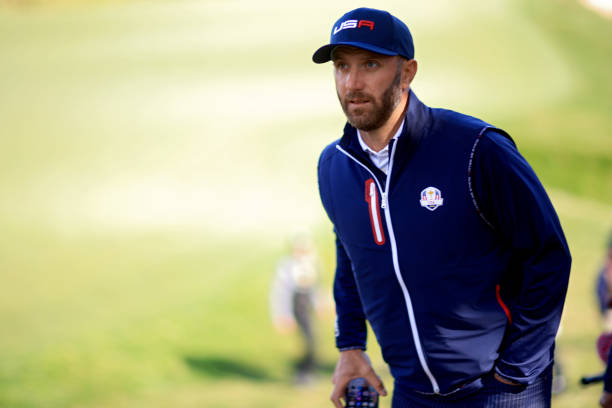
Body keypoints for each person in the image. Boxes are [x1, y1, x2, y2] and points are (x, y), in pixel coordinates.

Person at [312, 7, 572, 408]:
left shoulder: (476, 149)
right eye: (342, 66)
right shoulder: (335, 167)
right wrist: (350, 345)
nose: (352, 82)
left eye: (370, 64)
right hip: (412, 392)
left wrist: (516, 369)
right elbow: (351, 256)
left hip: (500, 390)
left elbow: (548, 255)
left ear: (408, 72)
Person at [270, 232, 321, 383]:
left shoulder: (311, 262)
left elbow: (316, 286)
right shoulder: (286, 265)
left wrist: (319, 303)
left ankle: (309, 369)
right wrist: (283, 314)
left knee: (312, 338)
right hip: (296, 303)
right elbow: (280, 291)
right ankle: (304, 372)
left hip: (307, 302)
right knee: (310, 339)